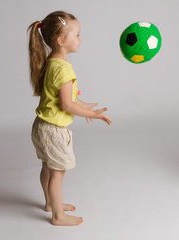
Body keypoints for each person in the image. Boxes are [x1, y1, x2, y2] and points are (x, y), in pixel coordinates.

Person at [28, 11, 112, 225]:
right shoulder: (64, 70)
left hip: (41, 127)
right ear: (61, 40)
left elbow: (64, 99)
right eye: (77, 34)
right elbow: (67, 105)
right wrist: (93, 114)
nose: (80, 38)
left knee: (47, 167)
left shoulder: (51, 62)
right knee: (57, 173)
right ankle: (58, 216)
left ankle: (50, 203)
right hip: (54, 131)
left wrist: (85, 105)